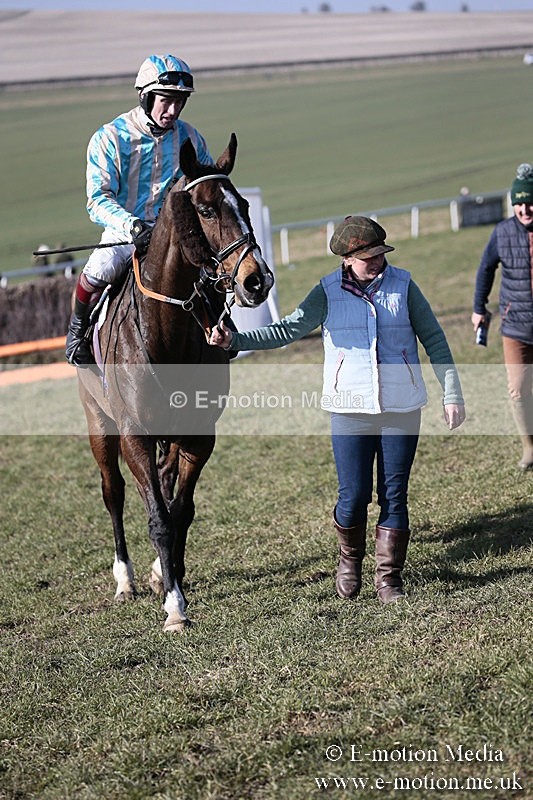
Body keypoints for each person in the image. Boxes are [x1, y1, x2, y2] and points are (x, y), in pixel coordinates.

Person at [210, 216, 466, 604]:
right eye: (368, 257)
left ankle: (388, 580)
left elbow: (434, 338)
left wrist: (452, 393)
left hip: (402, 408)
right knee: (353, 496)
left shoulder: (404, 285)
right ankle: (349, 561)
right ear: (347, 259)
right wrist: (235, 340)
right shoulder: (327, 292)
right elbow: (286, 329)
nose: (378, 261)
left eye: (381, 254)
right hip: (349, 409)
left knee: (394, 496)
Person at [65, 54, 214, 366]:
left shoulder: (191, 138)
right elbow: (97, 199)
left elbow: (206, 188)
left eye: (180, 102)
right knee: (100, 270)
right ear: (146, 96)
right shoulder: (109, 138)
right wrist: (131, 225)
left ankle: (220, 335)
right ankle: (77, 333)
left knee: (215, 273)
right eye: (166, 100)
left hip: (176, 234)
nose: (173, 110)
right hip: (126, 232)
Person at [472, 163, 533, 471]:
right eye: (519, 202)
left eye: (530, 201)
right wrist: (478, 308)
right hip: (516, 326)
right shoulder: (503, 233)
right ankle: (529, 447)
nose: (525, 208)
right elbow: (485, 269)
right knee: (519, 388)